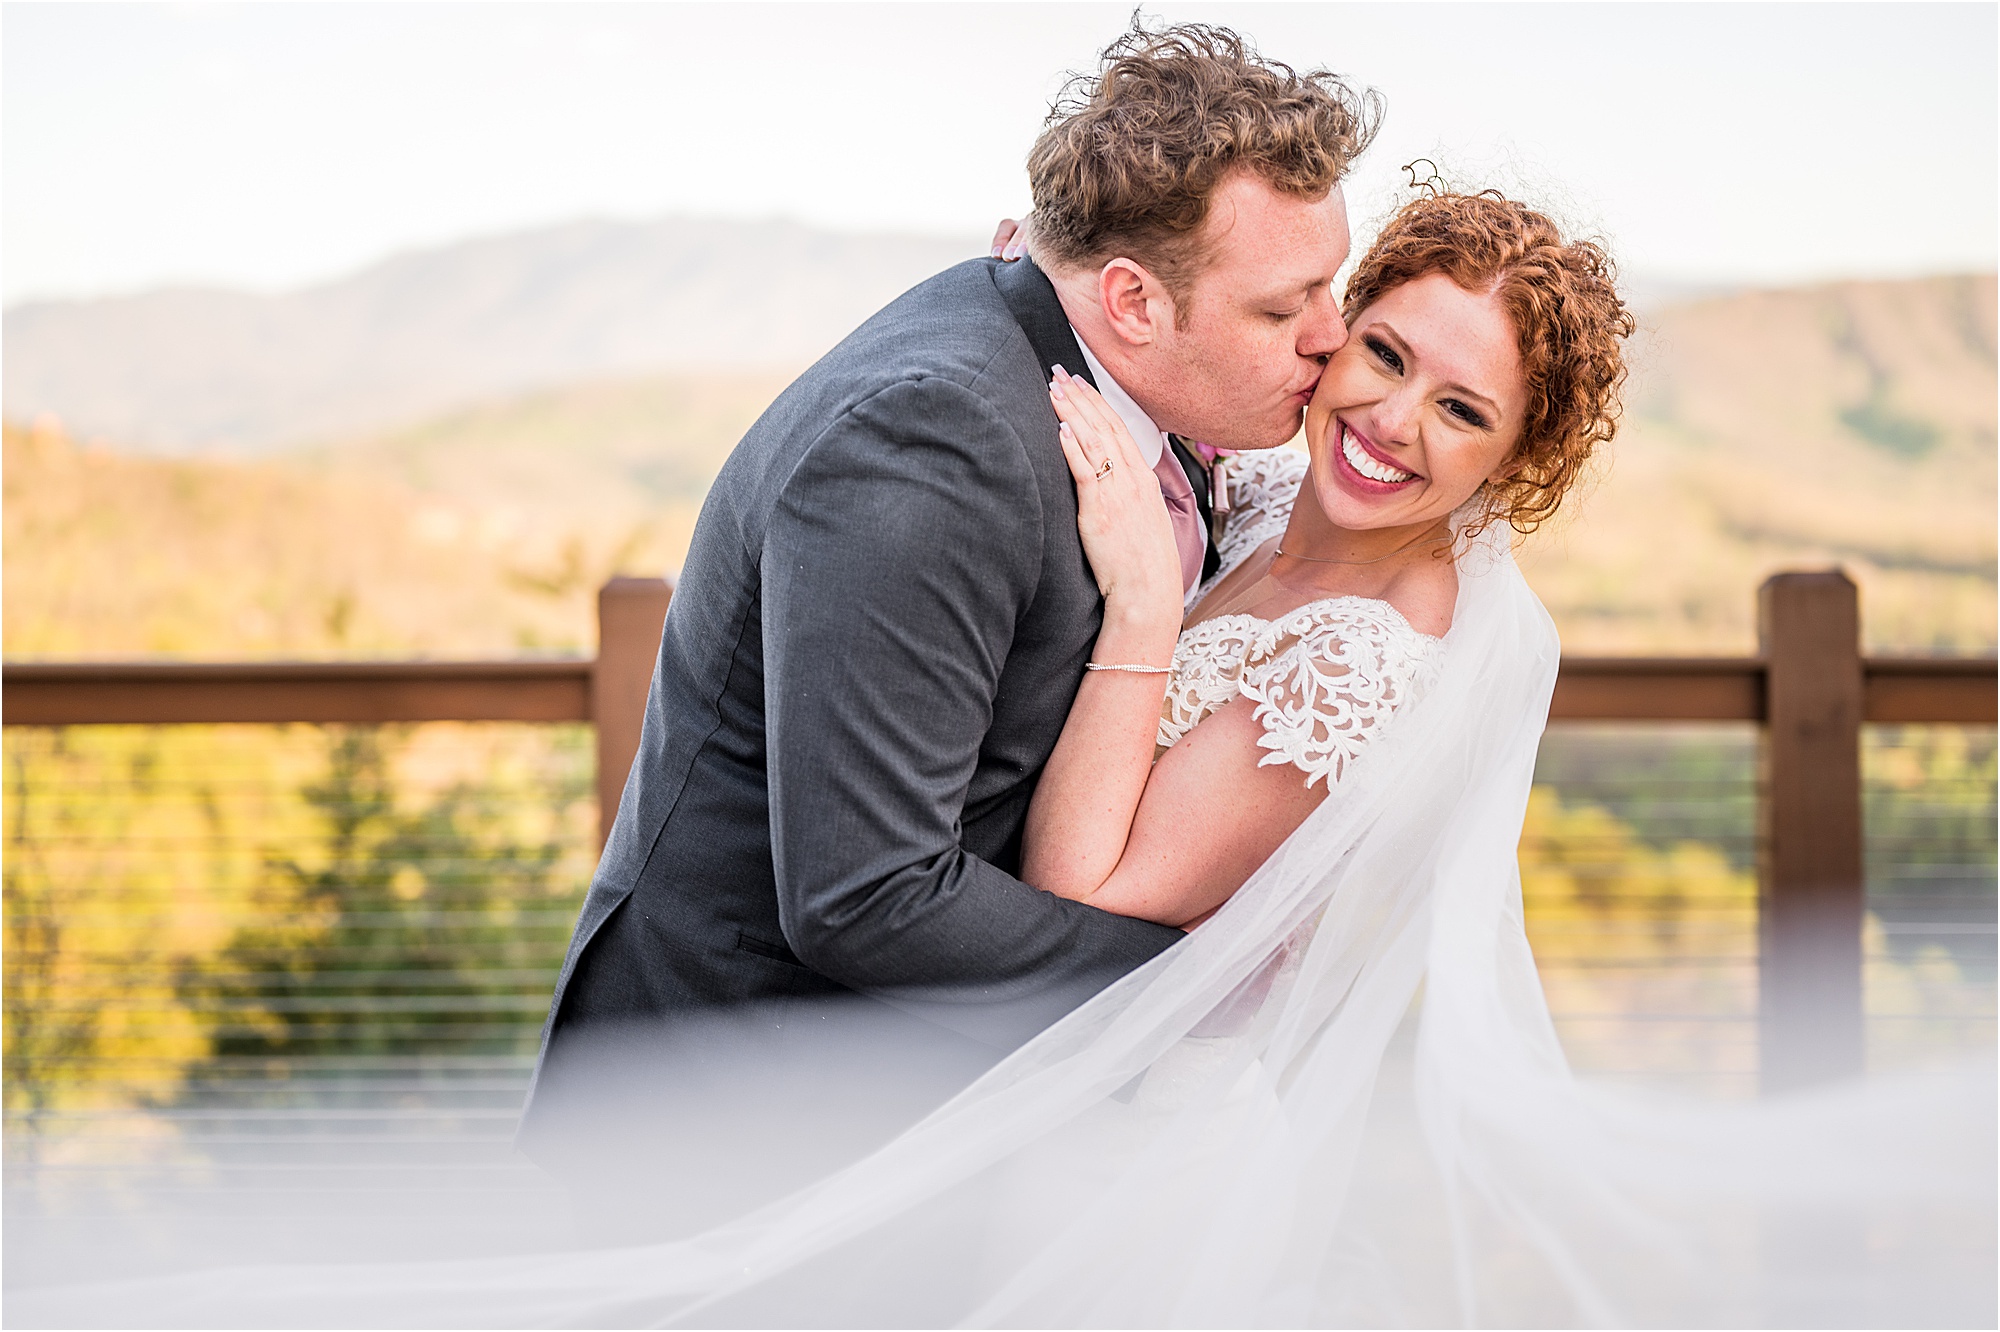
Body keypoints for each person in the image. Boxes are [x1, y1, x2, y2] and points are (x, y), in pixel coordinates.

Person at [515, 19, 1381, 1218]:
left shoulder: (1118, 373)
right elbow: (865, 893)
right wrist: (1196, 981)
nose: (1328, 334)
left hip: (928, 1111)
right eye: (1287, 304)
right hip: (742, 1134)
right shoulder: (933, 443)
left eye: (1330, 286)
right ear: (1130, 299)